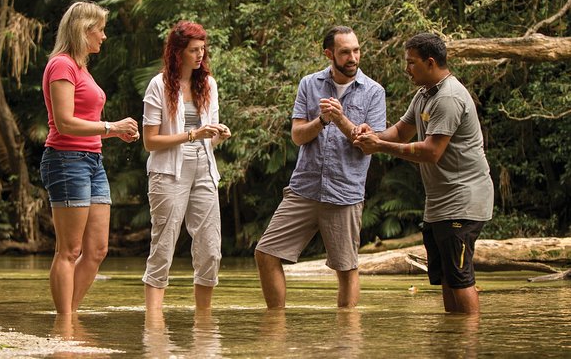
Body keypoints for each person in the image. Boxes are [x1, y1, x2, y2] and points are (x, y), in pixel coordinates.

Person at [353, 32, 493, 314]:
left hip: (462, 202)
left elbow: (431, 151)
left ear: (431, 63)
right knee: (446, 277)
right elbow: (401, 132)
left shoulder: (449, 97)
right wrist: (373, 133)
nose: (407, 69)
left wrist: (379, 146)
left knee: (461, 277)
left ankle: (468, 346)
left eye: (411, 63)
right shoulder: (424, 95)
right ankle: (452, 342)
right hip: (440, 205)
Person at [254, 26, 387, 309]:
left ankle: (346, 343)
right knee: (265, 253)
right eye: (345, 52)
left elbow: (370, 144)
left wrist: (340, 120)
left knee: (346, 269)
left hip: (345, 192)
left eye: (356, 50)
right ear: (329, 54)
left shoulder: (374, 92)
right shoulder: (309, 84)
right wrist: (322, 121)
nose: (353, 57)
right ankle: (275, 330)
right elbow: (298, 135)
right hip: (304, 188)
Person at [40, 0, 139, 314]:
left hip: (92, 162)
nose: (104, 36)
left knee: (96, 249)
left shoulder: (80, 68)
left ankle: (69, 318)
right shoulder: (62, 65)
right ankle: (65, 323)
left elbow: (84, 121)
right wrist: (111, 126)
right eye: (100, 29)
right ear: (84, 30)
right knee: (69, 250)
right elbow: (65, 121)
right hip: (66, 160)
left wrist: (114, 133)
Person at [141, 20, 231, 311]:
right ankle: (153, 323)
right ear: (178, 52)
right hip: (168, 171)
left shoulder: (208, 84)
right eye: (194, 50)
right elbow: (150, 142)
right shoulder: (159, 85)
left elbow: (208, 138)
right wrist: (193, 134)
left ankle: (203, 321)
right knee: (164, 245)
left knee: (211, 249)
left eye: (202, 49)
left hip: (204, 167)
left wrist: (218, 135)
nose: (200, 55)